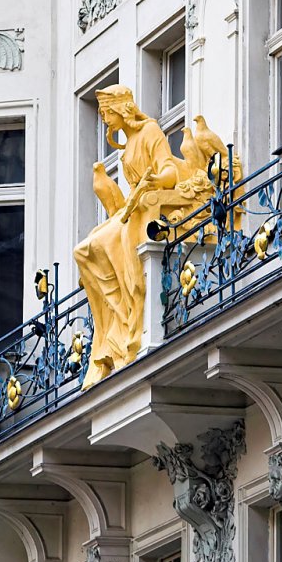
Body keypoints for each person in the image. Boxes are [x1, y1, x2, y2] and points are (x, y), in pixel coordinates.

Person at [74, 84, 178, 389]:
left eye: (107, 112)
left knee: (106, 242)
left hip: (146, 210)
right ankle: (110, 330)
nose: (105, 119)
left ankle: (125, 328)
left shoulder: (150, 132)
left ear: (121, 108)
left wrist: (155, 180)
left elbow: (169, 170)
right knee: (83, 251)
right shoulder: (129, 142)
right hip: (131, 210)